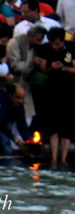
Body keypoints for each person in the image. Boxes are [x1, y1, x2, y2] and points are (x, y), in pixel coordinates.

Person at [33, 27, 74, 163]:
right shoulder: (45, 49)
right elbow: (43, 69)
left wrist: (63, 67)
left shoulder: (71, 48)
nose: (54, 46)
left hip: (68, 90)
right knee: (52, 127)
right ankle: (54, 158)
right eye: (52, 43)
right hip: (50, 90)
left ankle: (63, 158)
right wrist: (49, 67)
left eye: (57, 43)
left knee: (66, 128)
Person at [6, 25, 46, 120]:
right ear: (29, 35)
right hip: (14, 83)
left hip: (27, 85)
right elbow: (15, 65)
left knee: (28, 115)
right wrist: (31, 63)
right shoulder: (15, 43)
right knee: (12, 116)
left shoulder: (37, 47)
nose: (39, 43)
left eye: (41, 40)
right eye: (37, 39)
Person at [0, 83, 32, 155]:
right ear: (11, 95)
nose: (20, 101)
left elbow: (22, 124)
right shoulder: (1, 99)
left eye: (22, 98)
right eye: (18, 97)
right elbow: (2, 123)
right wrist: (15, 139)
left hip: (7, 125)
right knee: (6, 148)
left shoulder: (19, 106)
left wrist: (29, 142)